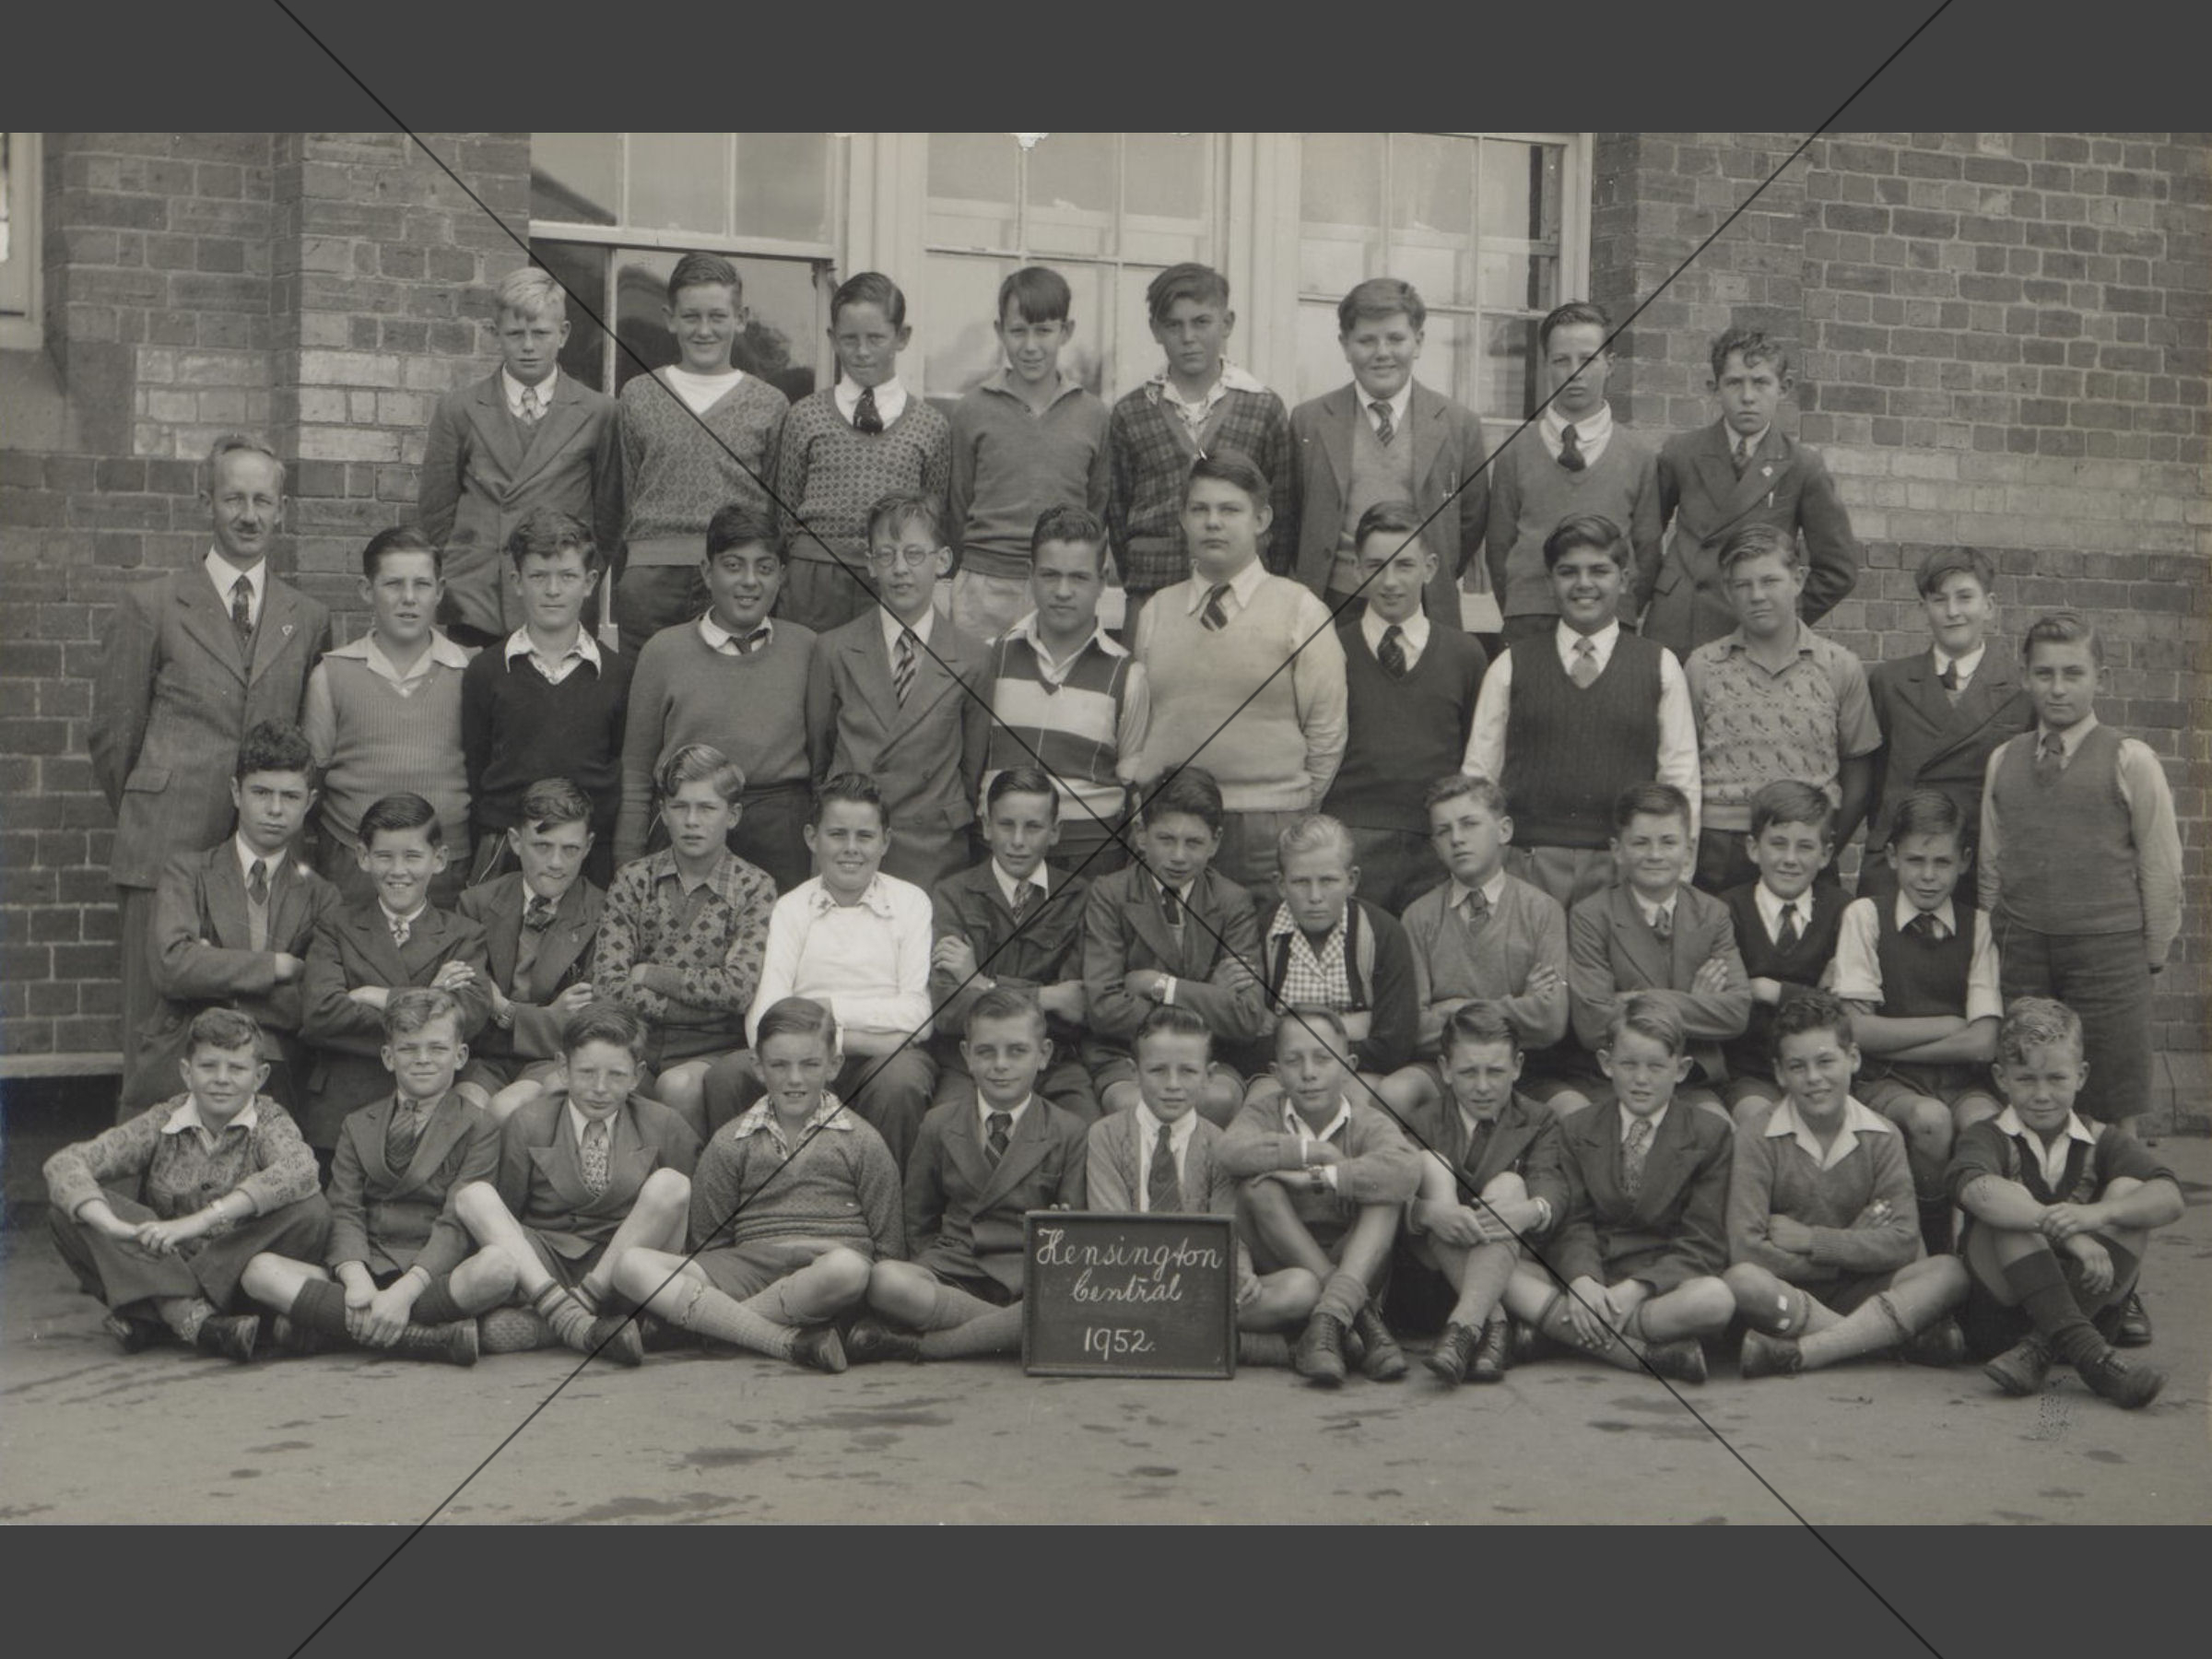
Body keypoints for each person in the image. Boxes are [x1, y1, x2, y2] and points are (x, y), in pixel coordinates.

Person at [90, 434, 333, 1100]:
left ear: (281, 510)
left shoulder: (306, 618)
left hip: (266, 849)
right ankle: (133, 1185)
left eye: (263, 500)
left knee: (254, 1026)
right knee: (156, 1030)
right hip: (164, 836)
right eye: (234, 498)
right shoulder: (154, 605)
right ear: (207, 503)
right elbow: (115, 737)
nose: (248, 514)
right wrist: (155, 808)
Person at [610, 996, 901, 1374]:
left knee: (850, 1269)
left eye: (810, 1065)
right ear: (758, 1068)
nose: (794, 1079)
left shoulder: (862, 1141)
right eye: (779, 1065)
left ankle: (716, 1329)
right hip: (748, 1266)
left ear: (834, 1066)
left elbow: (889, 1244)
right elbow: (710, 1241)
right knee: (631, 1265)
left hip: (827, 1269)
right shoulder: (731, 1141)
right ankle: (776, 1337)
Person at [1979, 612, 2181, 1149]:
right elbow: (1992, 866)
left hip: (2108, 953)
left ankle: (2116, 1220)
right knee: (2030, 1092)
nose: (2058, 688)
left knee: (2112, 1105)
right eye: (2044, 674)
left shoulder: (2130, 759)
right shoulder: (2005, 760)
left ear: (2100, 678)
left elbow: (2161, 868)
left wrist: (2150, 955)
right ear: (2025, 677)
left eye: (2073, 673)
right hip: (2025, 948)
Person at [240, 988, 512, 1366]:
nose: (422, 1060)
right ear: (388, 1057)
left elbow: (455, 1223)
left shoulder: (479, 1125)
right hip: (367, 1264)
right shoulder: (357, 1123)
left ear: (460, 1055)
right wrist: (355, 1278)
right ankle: (421, 1338)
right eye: (408, 1049)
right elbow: (345, 1208)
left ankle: (333, 1330)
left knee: (498, 1268)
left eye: (437, 1049)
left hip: (431, 1273)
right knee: (259, 1272)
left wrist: (404, 1293)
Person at [44, 1007, 329, 1361]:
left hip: (238, 1272)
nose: (221, 1079)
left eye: (237, 1068)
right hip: (164, 1259)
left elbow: (301, 1169)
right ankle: (206, 1325)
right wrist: (113, 1227)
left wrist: (201, 1220)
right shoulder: (164, 1118)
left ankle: (163, 1315)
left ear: (260, 1076)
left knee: (311, 1211)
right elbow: (65, 1162)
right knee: (68, 1209)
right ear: (186, 1072)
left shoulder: (270, 1121)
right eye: (208, 1066)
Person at [1132, 448, 1347, 905]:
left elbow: (1327, 731)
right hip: (1175, 830)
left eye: (1230, 510)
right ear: (1183, 519)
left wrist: (1292, 810)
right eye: (1200, 509)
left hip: (1266, 828)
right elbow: (1142, 725)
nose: (1213, 522)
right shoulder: (1156, 612)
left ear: (1262, 519)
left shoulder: (1301, 610)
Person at [1724, 992, 1970, 1379]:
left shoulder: (1882, 1134)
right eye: (1797, 1066)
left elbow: (1904, 1240)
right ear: (1779, 1073)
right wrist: (1848, 1250)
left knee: (1949, 1272)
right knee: (1743, 1282)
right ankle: (1883, 1339)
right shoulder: (1757, 1136)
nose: (1814, 1078)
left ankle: (1810, 1350)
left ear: (1852, 1058)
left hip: (1868, 1290)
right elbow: (1748, 1250)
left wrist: (1814, 1241)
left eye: (1826, 1061)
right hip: (1790, 1295)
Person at [1462, 512, 1700, 911]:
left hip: (1625, 869)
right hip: (1527, 865)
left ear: (1623, 580)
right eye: (1568, 572)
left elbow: (1680, 779)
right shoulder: (1511, 665)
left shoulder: (1659, 665)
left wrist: (1677, 877)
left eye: (1599, 571)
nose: (1584, 584)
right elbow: (1479, 777)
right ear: (1550, 581)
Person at [1949, 997, 2178, 1407]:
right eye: (2026, 1079)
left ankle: (2042, 1347)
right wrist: (2072, 1235)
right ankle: (2093, 1358)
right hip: (2002, 1319)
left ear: (2081, 1075)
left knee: (2130, 1193)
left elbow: (2171, 1197)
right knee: (2005, 1200)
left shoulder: (2101, 1138)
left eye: (2056, 1078)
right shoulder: (1988, 1134)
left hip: (2087, 1304)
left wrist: (2094, 1214)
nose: (2041, 1095)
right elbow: (1973, 1189)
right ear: (2001, 1078)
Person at [698, 774, 936, 1165]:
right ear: (812, 838)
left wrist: (823, 1006)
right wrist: (848, 1041)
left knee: (899, 1082)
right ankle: (747, 1200)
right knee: (727, 1076)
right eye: (837, 834)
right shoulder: (792, 908)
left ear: (886, 842)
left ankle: (888, 1211)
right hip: (814, 1051)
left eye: (865, 836)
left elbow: (919, 1017)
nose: (851, 849)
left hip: (883, 1060)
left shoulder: (911, 903)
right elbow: (763, 1021)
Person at [449, 1001, 700, 1367]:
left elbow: (685, 1219)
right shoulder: (529, 1122)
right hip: (547, 1268)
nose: (600, 1088)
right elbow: (510, 1209)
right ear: (563, 1069)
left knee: (671, 1184)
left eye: (616, 1075)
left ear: (637, 1075)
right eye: (586, 1073)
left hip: (625, 1267)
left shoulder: (664, 1123)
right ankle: (579, 1319)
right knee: (474, 1195)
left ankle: (562, 1319)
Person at [846, 989, 1088, 1364]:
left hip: (1025, 1275)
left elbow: (1073, 1230)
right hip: (954, 1270)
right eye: (986, 1052)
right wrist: (928, 1263)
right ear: (967, 1057)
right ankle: (1019, 1331)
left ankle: (925, 1346)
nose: (1000, 1065)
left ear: (1043, 1056)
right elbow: (918, 1216)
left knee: (1068, 1299)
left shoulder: (1068, 1130)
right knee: (886, 1281)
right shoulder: (940, 1123)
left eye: (1017, 1051)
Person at [1502, 995, 1734, 1382]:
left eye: (1656, 1066)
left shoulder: (1710, 1135)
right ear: (1606, 1064)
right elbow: (1573, 1220)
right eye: (1628, 1065)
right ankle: (1643, 1349)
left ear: (1682, 1069)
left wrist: (1638, 1289)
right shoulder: (1578, 1128)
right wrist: (1582, 1281)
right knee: (1504, 1270)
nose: (1641, 1079)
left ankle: (1561, 1336)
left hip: (1661, 1286)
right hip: (1593, 1276)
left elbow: (1703, 1242)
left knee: (1716, 1299)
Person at [1084, 1004, 1322, 1365]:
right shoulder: (1105, 1135)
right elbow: (1111, 1226)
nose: (1173, 1085)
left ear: (1209, 1076)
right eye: (1158, 1071)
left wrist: (1241, 1274)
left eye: (1188, 1071)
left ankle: (1151, 1339)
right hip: (1129, 1283)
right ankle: (1254, 1347)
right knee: (1093, 1298)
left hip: (1201, 1285)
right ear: (1135, 1072)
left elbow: (1228, 1228)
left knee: (1301, 1287)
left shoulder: (1218, 1144)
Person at [122, 721, 335, 1120]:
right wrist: (277, 966)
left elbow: (315, 1000)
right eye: (260, 793)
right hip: (186, 1064)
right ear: (236, 792)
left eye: (289, 796)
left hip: (276, 1071)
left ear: (309, 802)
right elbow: (172, 968)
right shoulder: (187, 873)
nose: (274, 809)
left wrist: (214, 973)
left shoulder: (322, 895)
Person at [614, 502, 827, 891]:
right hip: (687, 829)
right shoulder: (663, 652)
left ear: (781, 576)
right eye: (733, 566)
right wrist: (629, 865)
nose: (749, 581)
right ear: (707, 572)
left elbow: (821, 768)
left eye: (764, 568)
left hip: (781, 834)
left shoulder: (806, 648)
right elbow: (636, 774)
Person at [1832, 788, 2006, 1253]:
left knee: (1986, 1124)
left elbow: (1984, 1043)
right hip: (1888, 1081)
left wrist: (1890, 1036)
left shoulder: (1979, 926)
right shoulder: (1865, 917)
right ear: (1891, 857)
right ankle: (1935, 1244)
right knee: (1930, 1120)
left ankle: (1981, 1253)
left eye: (1942, 863)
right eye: (1915, 861)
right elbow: (1857, 1033)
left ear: (1965, 861)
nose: (1928, 877)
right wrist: (1950, 1024)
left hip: (1962, 1081)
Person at [416, 265, 622, 649]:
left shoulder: (599, 412)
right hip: (479, 602)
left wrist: (573, 577)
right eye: (514, 334)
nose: (528, 346)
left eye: (541, 333)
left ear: (563, 334)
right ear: (495, 334)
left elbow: (609, 518)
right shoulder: (459, 409)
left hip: (559, 599)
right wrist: (468, 570)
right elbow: (435, 513)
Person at [1220, 1008, 1422, 1386]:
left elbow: (1406, 1171)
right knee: (1258, 1187)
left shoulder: (1369, 1122)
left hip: (1356, 1262)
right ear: (1277, 1071)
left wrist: (1326, 1177)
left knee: (1386, 1197)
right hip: (1285, 1265)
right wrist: (1313, 1152)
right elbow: (1230, 1151)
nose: (1309, 1073)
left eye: (1323, 1058)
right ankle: (1353, 1316)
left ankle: (1329, 1320)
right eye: (1294, 1061)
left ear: (1348, 1067)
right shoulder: (1264, 1112)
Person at [592, 746, 777, 1138]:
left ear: (733, 815)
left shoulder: (754, 887)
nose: (692, 821)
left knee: (679, 1087)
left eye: (707, 808)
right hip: (634, 1041)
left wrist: (651, 974)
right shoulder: (633, 880)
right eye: (679, 807)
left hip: (711, 1050)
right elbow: (608, 984)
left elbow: (738, 990)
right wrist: (700, 1001)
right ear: (663, 811)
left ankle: (693, 1191)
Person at [1685, 524, 1881, 893]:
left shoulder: (1839, 666)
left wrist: (1821, 844)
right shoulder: (1703, 666)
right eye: (1742, 585)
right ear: (1727, 591)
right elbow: (1685, 763)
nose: (1757, 595)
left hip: (1803, 846)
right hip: (1721, 848)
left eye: (1770, 581)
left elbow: (1858, 776)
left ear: (1798, 579)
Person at [299, 792, 493, 1162]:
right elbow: (321, 1013)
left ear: (439, 860)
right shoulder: (336, 925)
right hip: (343, 1103)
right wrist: (429, 997)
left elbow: (470, 1016)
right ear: (363, 857)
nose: (398, 870)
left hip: (428, 1105)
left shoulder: (464, 934)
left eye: (413, 857)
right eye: (385, 856)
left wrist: (380, 996)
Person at [1286, 277, 1489, 628]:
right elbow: (1294, 516)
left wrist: (1415, 571)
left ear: (1418, 342)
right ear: (1345, 346)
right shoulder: (1310, 421)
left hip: (1420, 602)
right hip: (1333, 602)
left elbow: (1470, 523)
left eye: (1395, 339)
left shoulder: (1458, 424)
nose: (1382, 352)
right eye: (1366, 340)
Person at [813, 490, 990, 891]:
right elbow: (819, 755)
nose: (900, 569)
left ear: (942, 561)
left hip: (933, 850)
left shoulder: (974, 659)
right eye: (886, 555)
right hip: (852, 846)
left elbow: (972, 768)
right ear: (869, 562)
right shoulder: (834, 649)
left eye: (914, 555)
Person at [1644, 326, 1858, 657]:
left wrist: (1779, 613)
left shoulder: (1802, 465)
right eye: (1734, 383)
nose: (1747, 397)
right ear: (1714, 388)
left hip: (1747, 631)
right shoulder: (1681, 452)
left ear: (1783, 388)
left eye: (1760, 383)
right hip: (1678, 624)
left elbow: (1838, 569)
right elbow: (1643, 538)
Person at [612, 251, 791, 644]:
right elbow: (623, 499)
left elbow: (778, 514)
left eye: (718, 317)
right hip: (651, 583)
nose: (704, 330)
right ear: (670, 319)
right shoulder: (638, 395)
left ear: (740, 319)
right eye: (691, 317)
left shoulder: (770, 403)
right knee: (645, 697)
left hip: (735, 581)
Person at [1106, 262, 1294, 635]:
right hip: (1152, 596)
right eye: (1174, 325)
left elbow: (1283, 517)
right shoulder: (1131, 412)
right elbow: (1118, 513)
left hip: (1240, 599)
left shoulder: (1263, 407)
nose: (1188, 337)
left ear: (1227, 323)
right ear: (1156, 330)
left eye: (1201, 322)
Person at [1321, 501, 1488, 912]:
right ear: (1357, 570)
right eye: (1377, 566)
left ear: (1430, 568)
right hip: (1352, 839)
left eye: (1405, 566)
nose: (1390, 581)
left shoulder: (1464, 653)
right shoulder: (1330, 649)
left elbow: (1476, 755)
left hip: (1434, 843)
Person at [1081, 767, 1268, 1124]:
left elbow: (1246, 1016)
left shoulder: (1233, 902)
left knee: (1219, 1098)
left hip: (1206, 1056)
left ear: (1215, 842)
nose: (1179, 856)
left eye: (1194, 842)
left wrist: (1160, 985)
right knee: (1131, 1106)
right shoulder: (1111, 893)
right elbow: (1103, 1008)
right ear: (1140, 834)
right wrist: (1208, 995)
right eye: (1166, 839)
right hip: (1126, 1053)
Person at [459, 507, 633, 890]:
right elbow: (475, 767)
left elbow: (620, 764)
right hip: (507, 850)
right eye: (539, 576)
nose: (553, 590)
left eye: (567, 577)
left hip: (586, 855)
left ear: (589, 583)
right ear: (517, 581)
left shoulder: (618, 674)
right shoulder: (486, 671)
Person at [301, 525, 474, 909]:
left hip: (446, 866)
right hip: (356, 866)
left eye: (422, 585)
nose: (409, 598)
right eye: (393, 584)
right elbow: (314, 777)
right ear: (367, 591)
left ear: (440, 591)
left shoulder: (470, 671)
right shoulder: (332, 675)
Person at [770, 271, 952, 633]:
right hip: (813, 585)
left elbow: (932, 515)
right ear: (832, 340)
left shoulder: (931, 426)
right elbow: (783, 512)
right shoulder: (804, 415)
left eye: (876, 338)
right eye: (850, 339)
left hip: (890, 578)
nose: (863, 351)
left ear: (902, 337)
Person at [1397, 1002, 1567, 1387]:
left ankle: (1466, 1330)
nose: (1483, 1086)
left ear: (1519, 1067)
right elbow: (1395, 1197)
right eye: (1468, 1072)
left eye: (1496, 1071)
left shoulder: (1540, 1120)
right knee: (1429, 1164)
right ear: (1444, 1070)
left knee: (1510, 1186)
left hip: (1513, 1262)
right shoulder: (1422, 1122)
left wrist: (1529, 1211)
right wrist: (1430, 1214)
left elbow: (1551, 1185)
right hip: (1435, 1281)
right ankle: (1494, 1326)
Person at [1564, 783, 1753, 1122]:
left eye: (1668, 842)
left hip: (1692, 1079)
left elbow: (1736, 1012)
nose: (1655, 855)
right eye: (1640, 842)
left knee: (1722, 1134)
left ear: (1689, 849)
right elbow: (1592, 1024)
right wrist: (1690, 1001)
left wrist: (1635, 999)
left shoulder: (1712, 914)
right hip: (1615, 1082)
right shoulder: (1591, 916)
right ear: (1617, 850)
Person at [978, 506, 1149, 876]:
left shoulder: (1127, 675)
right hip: (1004, 853)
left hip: (1091, 858)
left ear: (1102, 580)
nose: (1063, 592)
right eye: (1050, 575)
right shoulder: (992, 658)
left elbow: (1131, 781)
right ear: (1030, 575)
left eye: (1079, 577)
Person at [945, 265, 1112, 641]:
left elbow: (1096, 511)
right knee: (979, 691)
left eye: (1044, 331)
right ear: (999, 331)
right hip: (984, 587)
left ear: (1066, 331)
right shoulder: (972, 409)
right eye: (1018, 331)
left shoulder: (1093, 414)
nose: (1031, 346)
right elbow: (957, 503)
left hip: (1060, 586)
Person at [1861, 545, 2030, 906]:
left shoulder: (2021, 688)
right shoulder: (1889, 682)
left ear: (1989, 605)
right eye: (1939, 600)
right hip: (1903, 864)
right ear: (1924, 609)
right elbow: (1875, 782)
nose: (1953, 612)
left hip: (1974, 865)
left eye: (1965, 597)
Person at [1483, 300, 1661, 644]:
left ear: (1610, 365)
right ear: (1546, 365)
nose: (1574, 372)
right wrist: (1522, 604)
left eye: (1587, 360)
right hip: (1529, 621)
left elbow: (1648, 549)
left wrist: (1622, 607)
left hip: (1609, 623)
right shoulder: (1516, 451)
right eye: (1561, 360)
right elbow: (1499, 547)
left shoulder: (1638, 455)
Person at [1393, 774, 1571, 1110]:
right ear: (1434, 846)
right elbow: (1413, 1029)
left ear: (1504, 830)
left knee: (1574, 1110)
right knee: (1395, 1093)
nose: (1457, 839)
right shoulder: (1419, 917)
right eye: (1444, 831)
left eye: (1469, 824)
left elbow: (1550, 1020)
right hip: (1445, 1069)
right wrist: (1519, 1003)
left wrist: (1456, 1008)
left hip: (1523, 1068)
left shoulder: (1542, 910)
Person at [929, 768, 1099, 1121]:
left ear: (1054, 832)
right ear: (987, 826)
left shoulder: (1079, 896)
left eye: (1033, 827)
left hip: (1050, 1061)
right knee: (947, 1126)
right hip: (972, 1062)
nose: (1018, 840)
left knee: (1085, 1126)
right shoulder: (954, 894)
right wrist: (1045, 997)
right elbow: (947, 1011)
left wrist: (981, 984)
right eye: (1006, 825)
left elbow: (1076, 1011)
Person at [1234, 814, 1419, 1112]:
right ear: (1280, 884)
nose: (1315, 896)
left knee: (1354, 1109)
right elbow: (1244, 1043)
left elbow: (1393, 1046)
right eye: (1301, 882)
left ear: (1352, 880)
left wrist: (1286, 1030)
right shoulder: (1261, 935)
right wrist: (1351, 1026)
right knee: (1262, 1109)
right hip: (1281, 1076)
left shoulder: (1383, 933)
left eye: (1329, 881)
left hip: (1357, 1073)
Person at [456, 777, 605, 1114]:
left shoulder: (602, 914)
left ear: (589, 846)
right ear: (515, 841)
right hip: (484, 1059)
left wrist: (506, 1012)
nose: (556, 863)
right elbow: (469, 1009)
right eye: (542, 846)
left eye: (570, 849)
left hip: (554, 1060)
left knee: (509, 1109)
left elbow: (587, 1026)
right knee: (466, 1111)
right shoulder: (476, 904)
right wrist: (550, 1014)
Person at [1717, 780, 1850, 1130]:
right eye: (1777, 844)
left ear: (1825, 855)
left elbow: (1842, 1011)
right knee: (1761, 1122)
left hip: (1820, 1069)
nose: (1790, 859)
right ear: (1752, 848)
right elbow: (1727, 1000)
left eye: (1805, 846)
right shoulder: (1726, 910)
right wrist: (1812, 995)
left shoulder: (1843, 912)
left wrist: (1767, 990)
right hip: (1751, 1070)